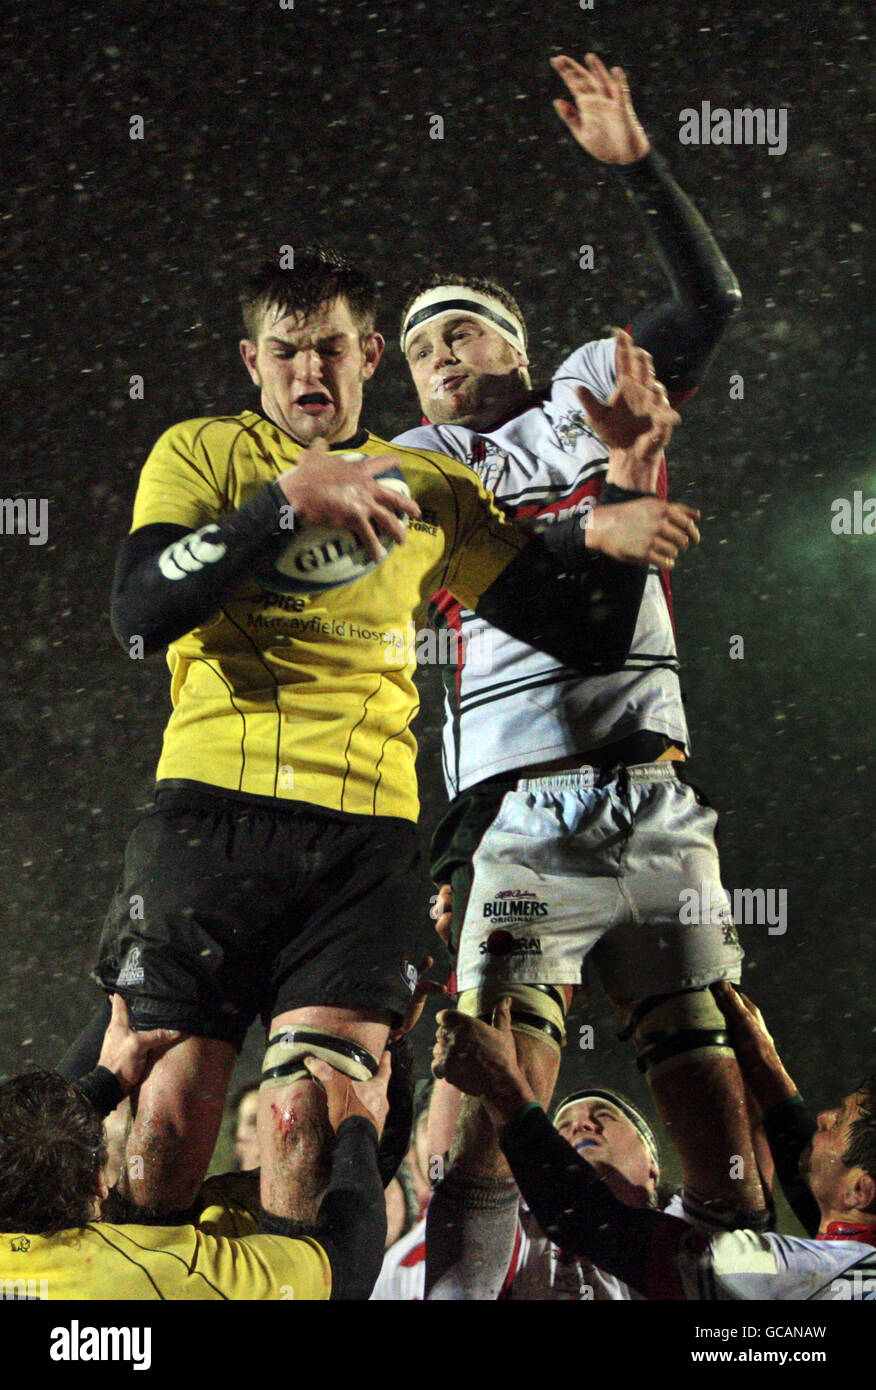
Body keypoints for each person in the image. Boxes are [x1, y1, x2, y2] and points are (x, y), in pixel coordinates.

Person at [90, 245, 692, 1233]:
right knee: (160, 1136)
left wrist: (623, 487)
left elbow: (582, 629)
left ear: (369, 355)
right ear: (252, 362)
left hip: (365, 841)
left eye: (330, 348)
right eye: (286, 352)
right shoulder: (199, 451)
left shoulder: (430, 484)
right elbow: (139, 610)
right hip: (208, 820)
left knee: (301, 1124)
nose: (309, 371)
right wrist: (283, 504)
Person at [392, 53, 763, 1298]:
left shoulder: (581, 396)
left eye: (460, 330)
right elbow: (462, 553)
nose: (437, 355)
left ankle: (731, 1312)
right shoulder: (420, 454)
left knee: (706, 1103)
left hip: (652, 787)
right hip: (521, 803)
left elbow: (710, 299)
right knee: (485, 1102)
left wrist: (642, 170)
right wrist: (588, 527)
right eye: (420, 345)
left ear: (518, 342)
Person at [431, 997, 876, 1300]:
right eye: (560, 1125)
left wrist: (502, 1088)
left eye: (837, 1123)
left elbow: (600, 1227)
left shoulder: (809, 1273)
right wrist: (762, 1058)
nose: (821, 1118)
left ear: (654, 1167)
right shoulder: (850, 1265)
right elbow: (814, 1173)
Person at [0, 996, 392, 1299]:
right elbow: (348, 1267)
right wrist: (359, 1126)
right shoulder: (144, 1276)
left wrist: (101, 1083)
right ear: (99, 1186)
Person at [372, 1084, 668, 1300]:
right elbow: (465, 1162)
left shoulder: (690, 1238)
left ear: (653, 1163)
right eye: (562, 1126)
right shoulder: (513, 1218)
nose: (579, 1124)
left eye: (605, 1115)